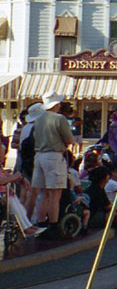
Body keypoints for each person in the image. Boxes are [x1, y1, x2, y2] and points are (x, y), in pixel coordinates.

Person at [31, 91, 73, 238]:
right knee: (55, 194)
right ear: (56, 104)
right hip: (54, 156)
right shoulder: (59, 118)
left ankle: (41, 223)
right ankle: (53, 225)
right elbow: (68, 139)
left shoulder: (38, 119)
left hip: (39, 155)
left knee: (43, 193)